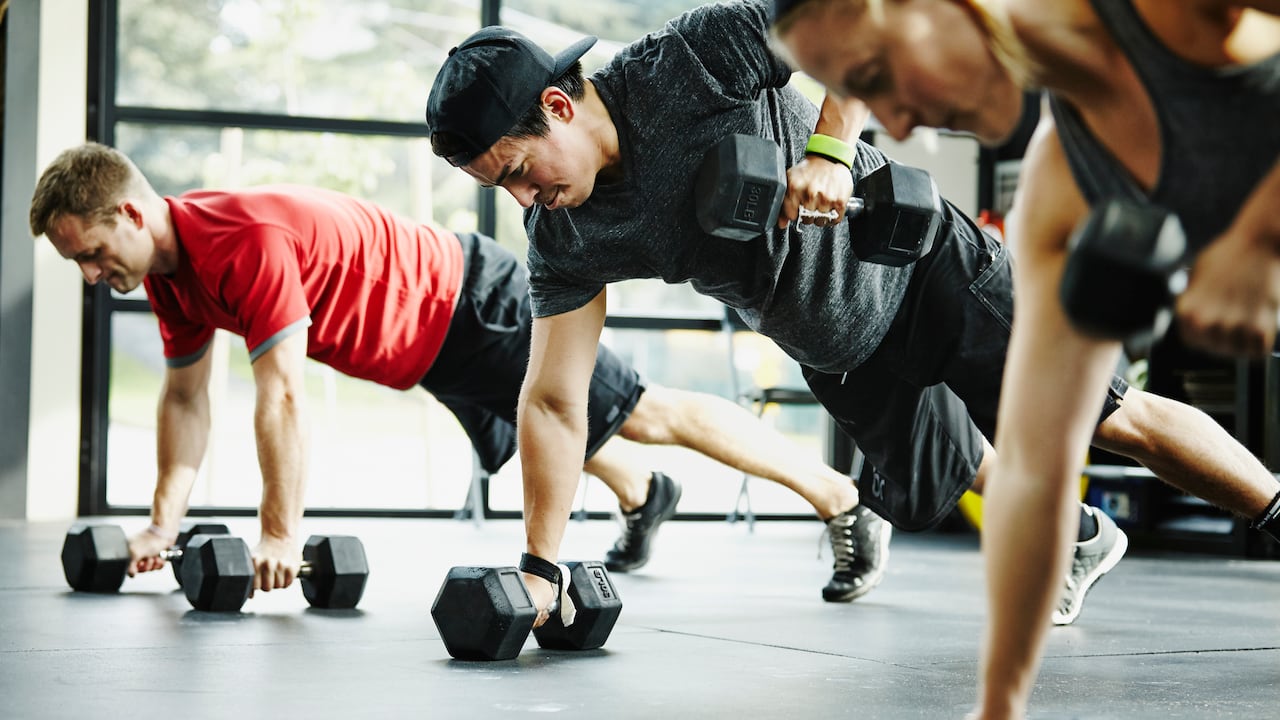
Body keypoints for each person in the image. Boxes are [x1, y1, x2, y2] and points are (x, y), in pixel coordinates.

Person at [423, 0, 1278, 640]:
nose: (525, 198)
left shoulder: (685, 63)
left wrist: (831, 148)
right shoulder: (566, 236)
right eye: (502, 188)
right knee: (934, 486)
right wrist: (541, 565)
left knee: (1108, 419)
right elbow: (552, 400)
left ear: (560, 107)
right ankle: (1083, 537)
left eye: (521, 170)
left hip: (924, 273)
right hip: (835, 346)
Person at [28, 141, 879, 599]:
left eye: (96, 254)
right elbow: (183, 399)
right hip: (429, 349)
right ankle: (641, 493)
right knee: (564, 437)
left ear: (132, 212)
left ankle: (842, 499)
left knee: (641, 411)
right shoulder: (170, 277)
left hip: (471, 303)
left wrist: (281, 534)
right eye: (82, 267)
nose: (97, 277)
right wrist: (158, 527)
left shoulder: (241, 243)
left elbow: (280, 395)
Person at [769, 0, 1280, 717]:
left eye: (877, 74)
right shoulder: (1060, 188)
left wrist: (1257, 240)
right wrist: (999, 705)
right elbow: (1037, 472)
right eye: (870, 99)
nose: (904, 126)